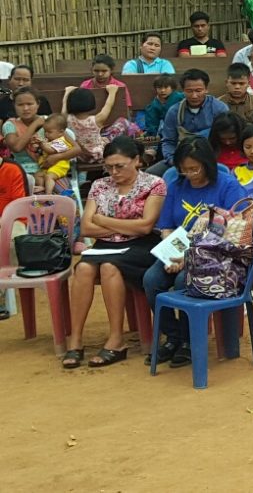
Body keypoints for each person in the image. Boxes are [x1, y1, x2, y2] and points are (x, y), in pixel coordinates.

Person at [62, 136, 165, 369]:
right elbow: (87, 227)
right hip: (105, 245)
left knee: (110, 267)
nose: (114, 172)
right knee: (84, 269)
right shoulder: (100, 185)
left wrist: (103, 220)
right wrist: (122, 224)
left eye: (120, 166)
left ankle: (116, 339)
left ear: (136, 160)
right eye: (109, 167)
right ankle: (76, 340)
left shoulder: (154, 184)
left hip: (142, 245)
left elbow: (145, 226)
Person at [143, 138, 246, 369]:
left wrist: (189, 257)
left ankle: (190, 341)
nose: (190, 174)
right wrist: (172, 253)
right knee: (151, 280)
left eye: (194, 168)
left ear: (207, 164)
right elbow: (167, 226)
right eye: (184, 169)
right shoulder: (177, 186)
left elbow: (233, 229)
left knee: (183, 280)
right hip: (180, 248)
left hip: (215, 253)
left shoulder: (227, 185)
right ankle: (173, 337)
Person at [155, 68, 228, 172]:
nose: (194, 96)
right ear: (183, 90)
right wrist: (173, 161)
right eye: (189, 91)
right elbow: (168, 141)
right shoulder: (174, 111)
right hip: (181, 159)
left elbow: (225, 140)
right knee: (152, 173)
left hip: (212, 158)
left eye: (199, 91)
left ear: (206, 89)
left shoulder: (219, 109)